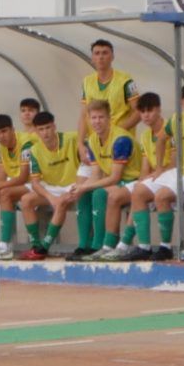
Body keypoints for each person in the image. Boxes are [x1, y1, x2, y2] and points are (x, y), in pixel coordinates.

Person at [126, 81, 184, 261]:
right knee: (138, 192)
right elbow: (161, 140)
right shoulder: (177, 120)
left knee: (161, 196)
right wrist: (160, 167)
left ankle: (165, 247)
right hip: (180, 174)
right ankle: (144, 247)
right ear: (182, 102)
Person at [61, 97, 134, 260]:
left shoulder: (121, 139)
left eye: (101, 117)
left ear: (109, 118)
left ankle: (101, 245)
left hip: (132, 180)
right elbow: (95, 173)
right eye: (93, 118)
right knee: (83, 193)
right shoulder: (93, 140)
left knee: (98, 193)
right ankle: (84, 245)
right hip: (116, 180)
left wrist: (86, 186)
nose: (97, 121)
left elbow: (116, 177)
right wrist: (79, 188)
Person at [103, 90, 170, 258]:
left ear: (159, 110)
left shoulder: (169, 129)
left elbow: (176, 163)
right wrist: (144, 178)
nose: (146, 115)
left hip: (170, 175)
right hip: (153, 178)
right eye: (142, 112)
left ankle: (130, 244)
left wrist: (149, 178)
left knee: (139, 192)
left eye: (150, 110)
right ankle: (107, 245)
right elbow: (145, 169)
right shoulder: (145, 135)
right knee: (115, 196)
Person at [16, 110, 81, 258]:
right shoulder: (34, 150)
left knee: (61, 203)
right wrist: (51, 197)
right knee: (26, 200)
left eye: (48, 128)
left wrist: (81, 185)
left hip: (75, 185)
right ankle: (36, 245)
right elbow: (35, 183)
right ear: (36, 131)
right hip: (53, 187)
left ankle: (44, 248)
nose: (45, 133)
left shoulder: (72, 139)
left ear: (54, 127)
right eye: (41, 129)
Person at [0, 113, 32, 257]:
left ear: (13, 129)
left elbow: (23, 177)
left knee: (4, 193)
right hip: (24, 186)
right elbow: (0, 173)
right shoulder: (2, 148)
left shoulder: (26, 143)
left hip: (40, 183)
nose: (1, 136)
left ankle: (5, 244)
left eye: (4, 131)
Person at [80, 37, 137, 134]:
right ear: (92, 58)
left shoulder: (126, 80)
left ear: (112, 57)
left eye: (105, 53)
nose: (101, 57)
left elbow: (138, 111)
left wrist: (118, 131)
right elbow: (84, 115)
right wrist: (81, 142)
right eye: (97, 53)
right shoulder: (86, 81)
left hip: (120, 142)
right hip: (96, 142)